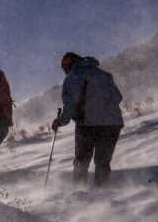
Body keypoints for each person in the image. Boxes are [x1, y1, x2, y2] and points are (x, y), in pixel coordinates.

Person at [52, 52, 124, 188]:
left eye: (64, 66)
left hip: (88, 124)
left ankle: (78, 194)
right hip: (113, 123)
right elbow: (118, 98)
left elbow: (71, 104)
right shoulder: (105, 75)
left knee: (81, 161)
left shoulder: (74, 76)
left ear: (72, 63)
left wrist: (60, 122)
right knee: (103, 162)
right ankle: (101, 193)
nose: (64, 70)